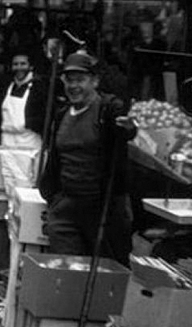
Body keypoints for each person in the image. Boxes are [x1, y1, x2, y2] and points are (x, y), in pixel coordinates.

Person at [38, 51, 138, 266]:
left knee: (105, 271)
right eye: (69, 80)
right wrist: (52, 197)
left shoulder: (107, 110)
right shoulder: (61, 114)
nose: (74, 86)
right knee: (67, 269)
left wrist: (130, 128)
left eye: (81, 80)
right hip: (66, 206)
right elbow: (55, 159)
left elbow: (124, 130)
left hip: (101, 208)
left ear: (95, 81)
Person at [0, 50, 48, 279]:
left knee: (25, 211)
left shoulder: (40, 91)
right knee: (2, 211)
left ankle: (21, 265)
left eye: (23, 63)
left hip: (28, 154)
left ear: (30, 66)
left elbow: (45, 121)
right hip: (5, 152)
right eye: (15, 63)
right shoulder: (7, 89)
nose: (19, 67)